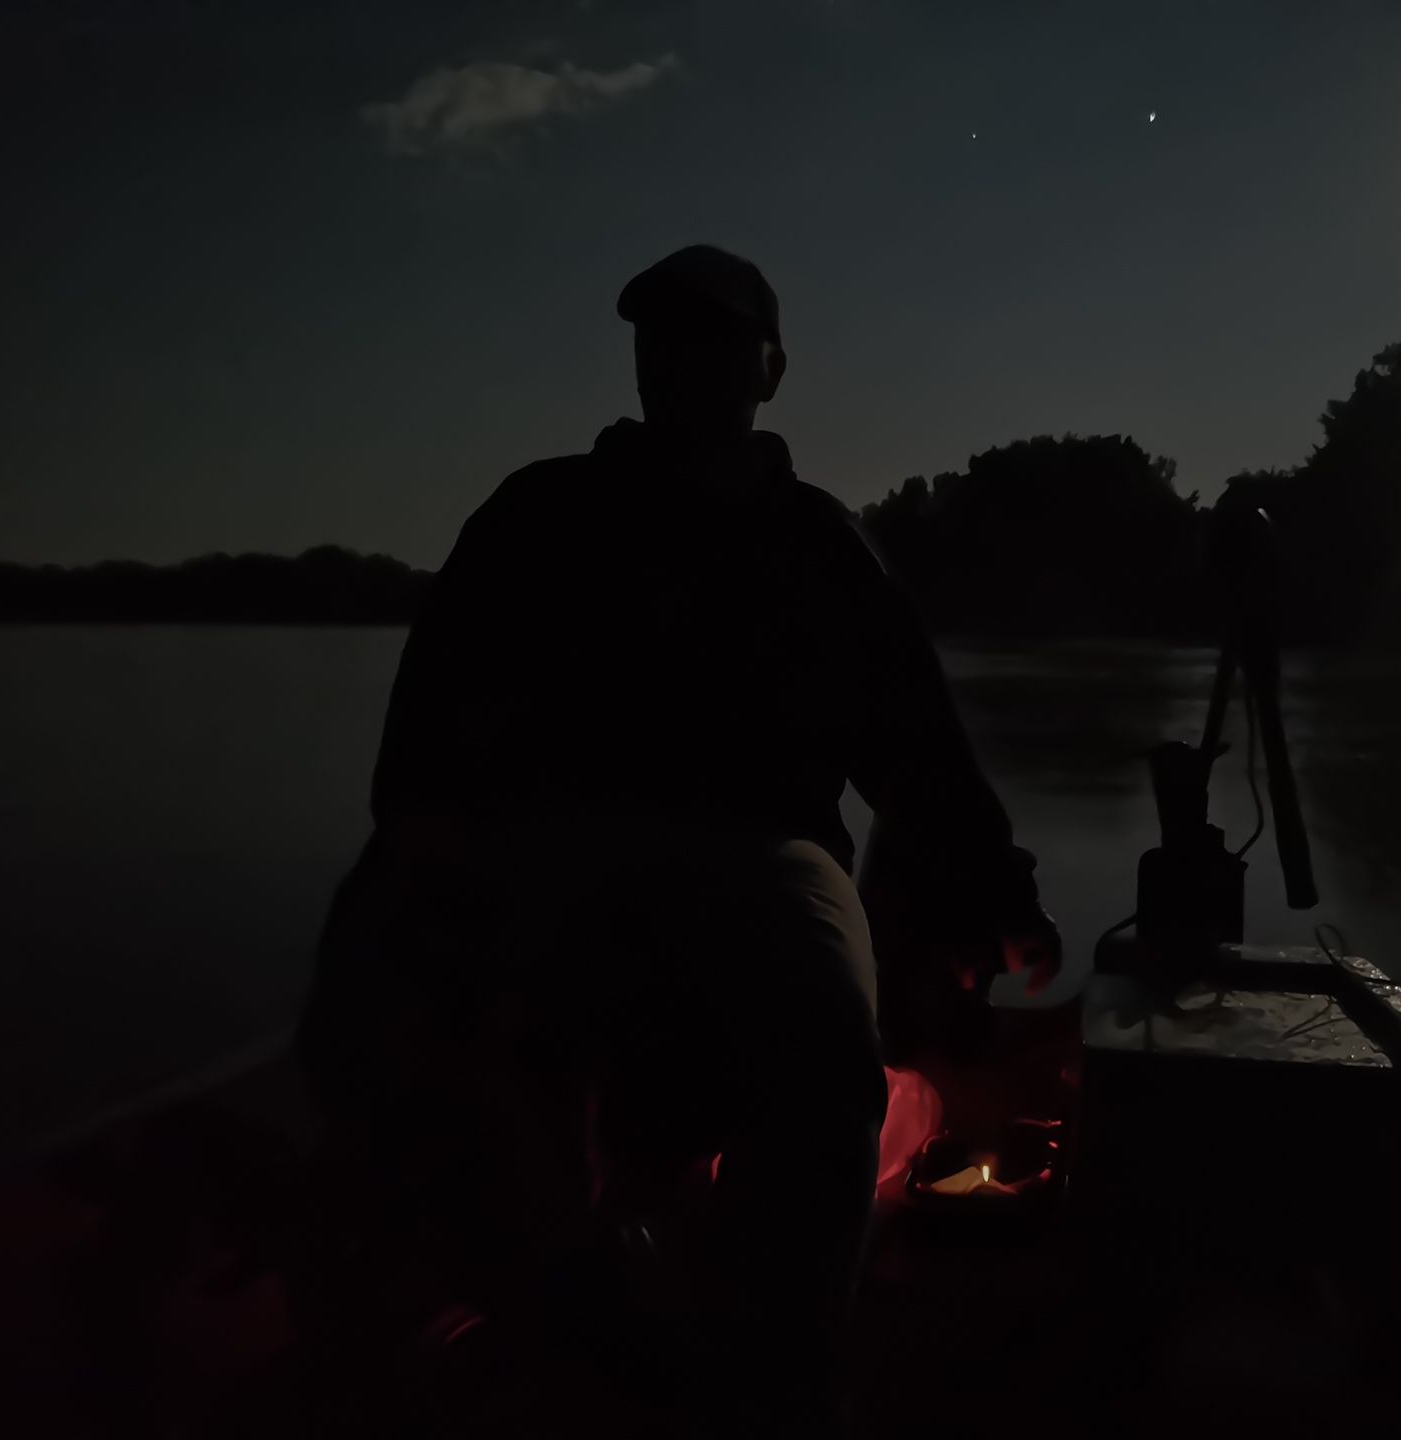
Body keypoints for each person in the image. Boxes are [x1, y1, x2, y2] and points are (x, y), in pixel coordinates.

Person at [296, 243, 1061, 1435]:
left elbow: (916, 749)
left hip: (765, 849)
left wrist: (997, 892)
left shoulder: (819, 544)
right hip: (549, 848)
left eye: (715, 338)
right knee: (389, 989)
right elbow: (426, 744)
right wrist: (426, 856)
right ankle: (496, 1312)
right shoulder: (535, 514)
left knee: (820, 1039)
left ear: (771, 369)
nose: (684, 359)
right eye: (663, 337)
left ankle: (776, 1383)